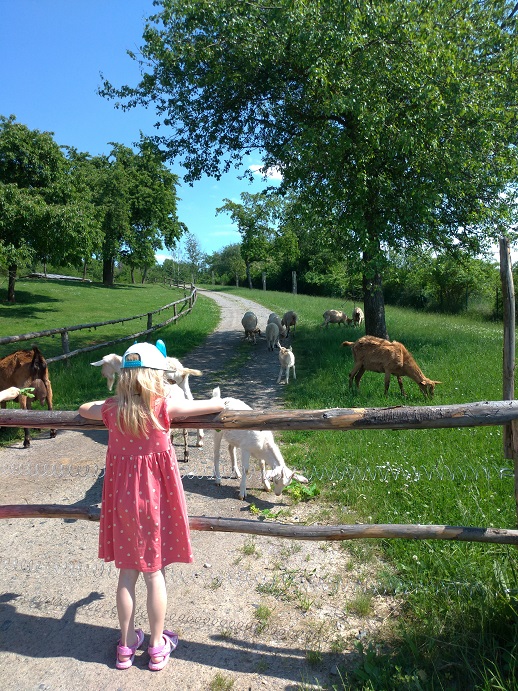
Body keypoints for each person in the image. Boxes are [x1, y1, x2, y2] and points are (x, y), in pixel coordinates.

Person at [78, 341, 225, 671]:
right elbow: (207, 405)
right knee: (154, 575)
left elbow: (84, 408)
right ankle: (157, 647)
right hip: (155, 502)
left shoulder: (112, 410)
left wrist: (104, 401)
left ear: (125, 379)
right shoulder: (162, 408)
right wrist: (221, 399)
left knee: (126, 575)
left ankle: (127, 645)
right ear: (155, 378)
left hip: (122, 504)